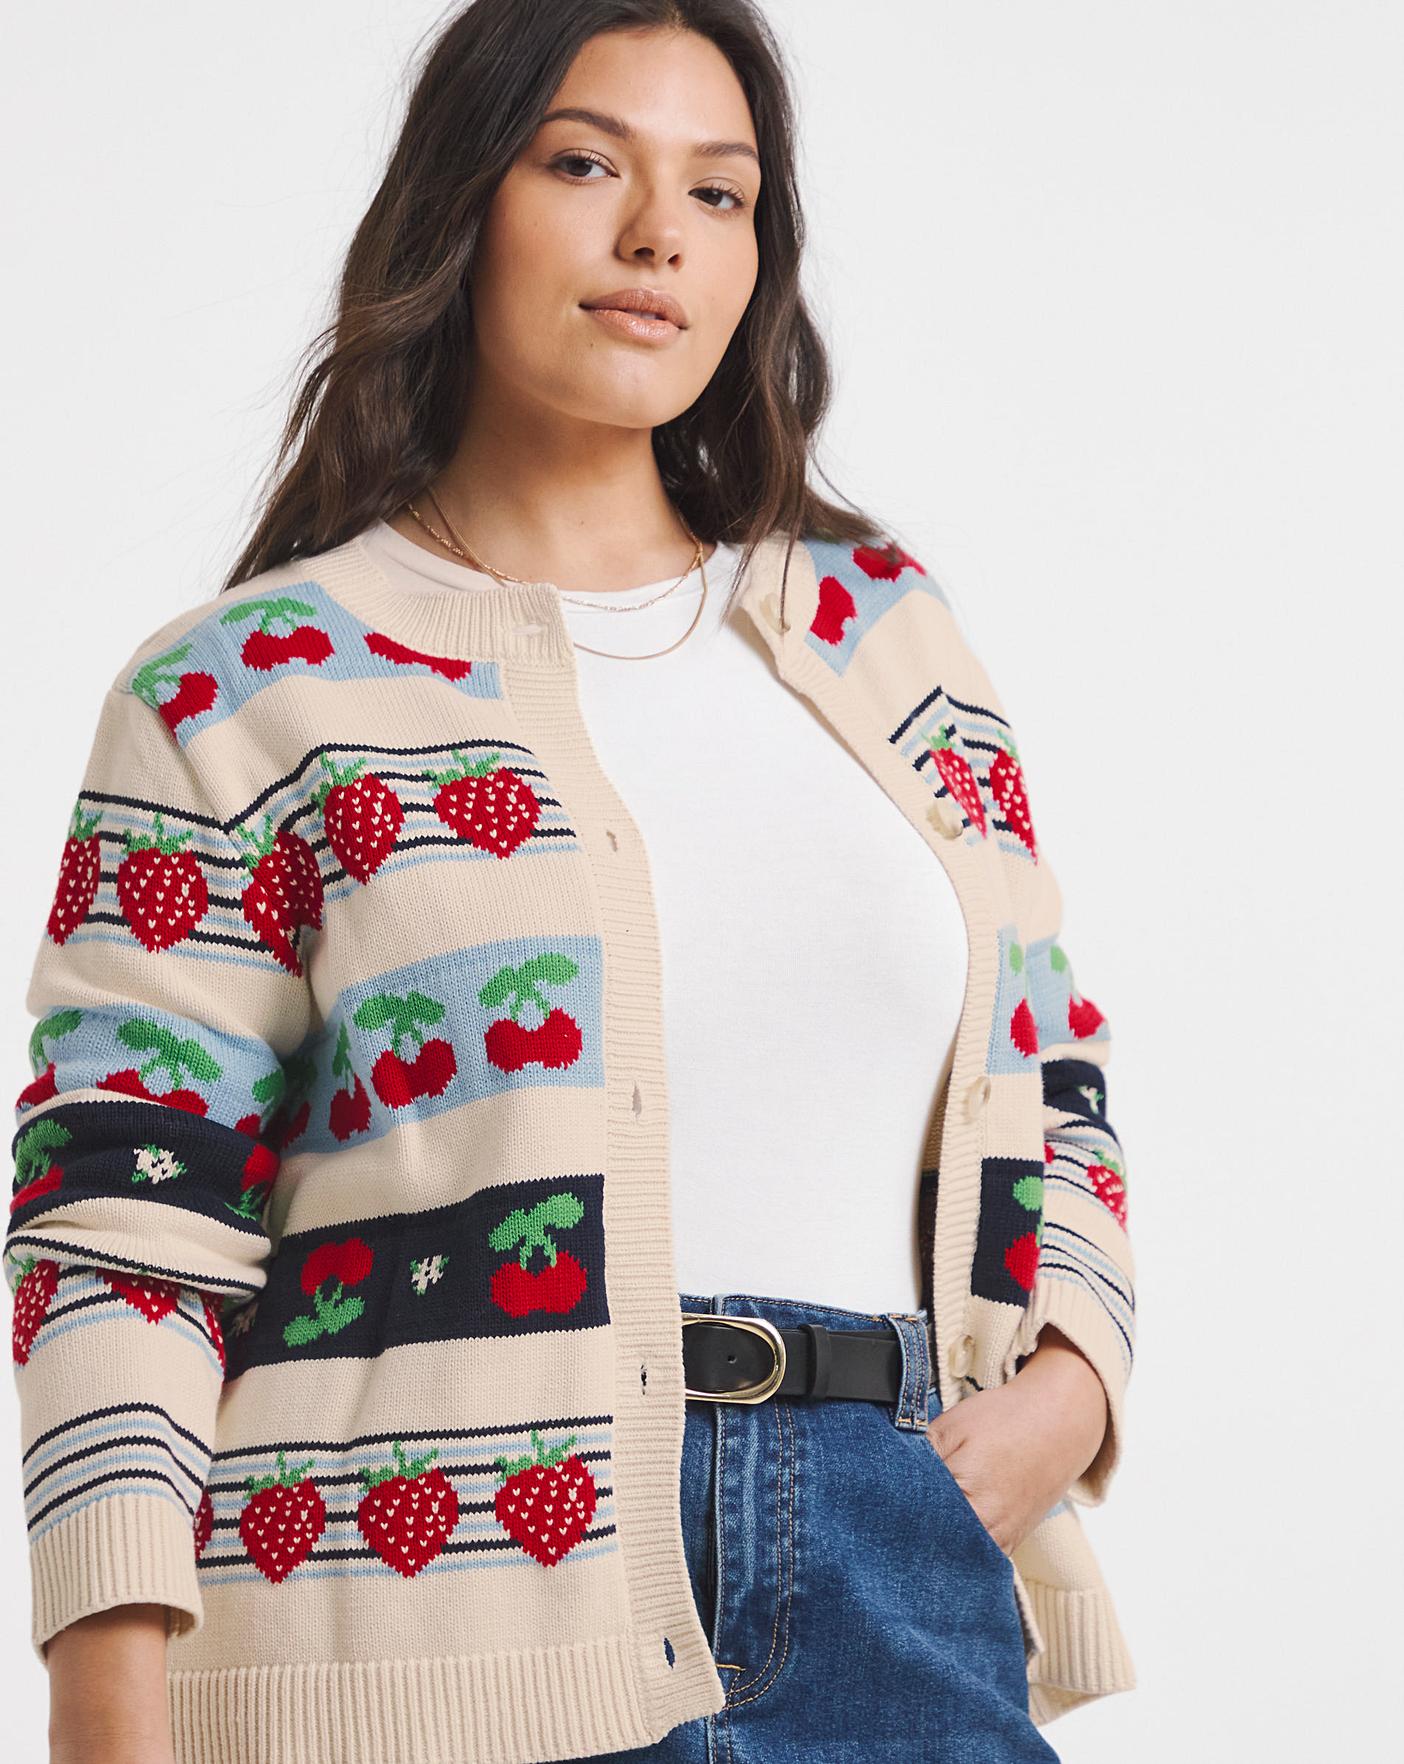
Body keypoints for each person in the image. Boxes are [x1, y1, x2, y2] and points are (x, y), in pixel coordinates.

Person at [9, 4, 1138, 1761]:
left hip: (897, 1569)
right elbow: (123, 1210)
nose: (658, 233)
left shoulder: (883, 635)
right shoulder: (241, 689)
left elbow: (1050, 1058)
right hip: (415, 1629)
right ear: (466, 200)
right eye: (587, 162)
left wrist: (1072, 1380)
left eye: (721, 191)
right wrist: (107, 1699)